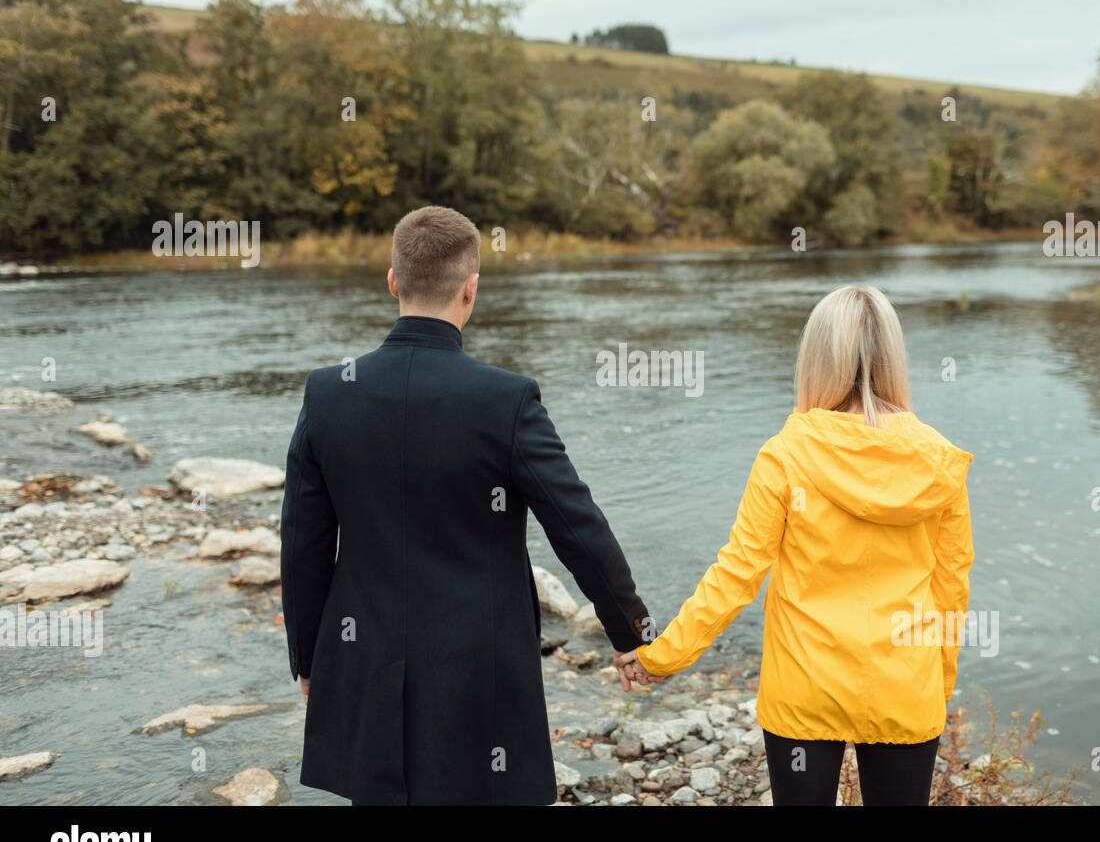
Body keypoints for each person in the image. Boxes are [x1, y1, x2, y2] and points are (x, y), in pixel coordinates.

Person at [281, 205, 655, 805]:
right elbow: (576, 524)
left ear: (393, 281)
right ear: (471, 289)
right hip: (479, 679)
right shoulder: (504, 399)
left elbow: (302, 543)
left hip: (366, 665)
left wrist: (309, 659)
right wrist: (631, 629)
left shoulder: (329, 394)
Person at [617, 284, 975, 806]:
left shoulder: (786, 455)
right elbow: (951, 589)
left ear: (816, 360)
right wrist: (936, 688)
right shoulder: (940, 462)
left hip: (804, 688)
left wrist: (663, 655)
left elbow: (738, 573)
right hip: (906, 685)